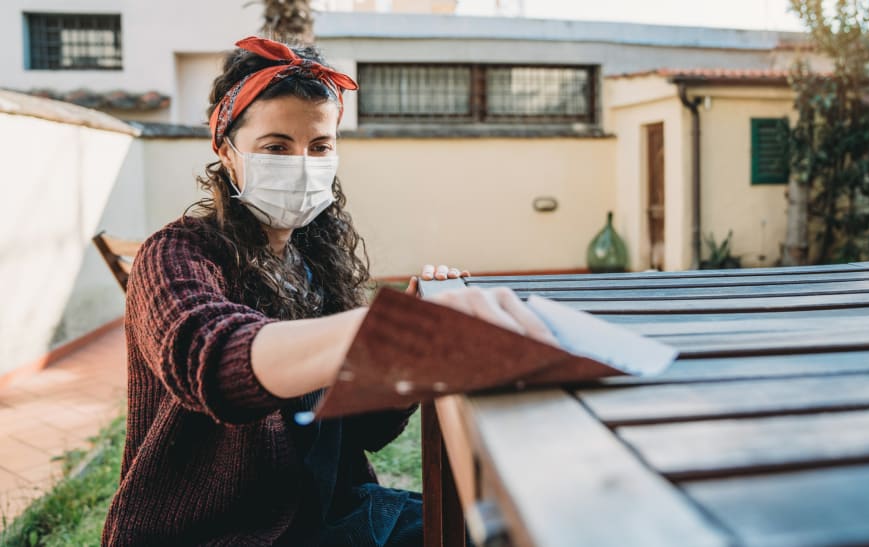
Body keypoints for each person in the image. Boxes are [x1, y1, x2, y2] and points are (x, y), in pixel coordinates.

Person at [102, 36, 556, 546]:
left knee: (496, 529)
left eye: (320, 146)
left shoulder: (315, 259)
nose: (301, 163)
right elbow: (209, 360)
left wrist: (403, 349)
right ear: (227, 154)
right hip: (226, 534)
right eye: (276, 147)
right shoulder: (177, 254)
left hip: (328, 514)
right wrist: (384, 330)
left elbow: (364, 430)